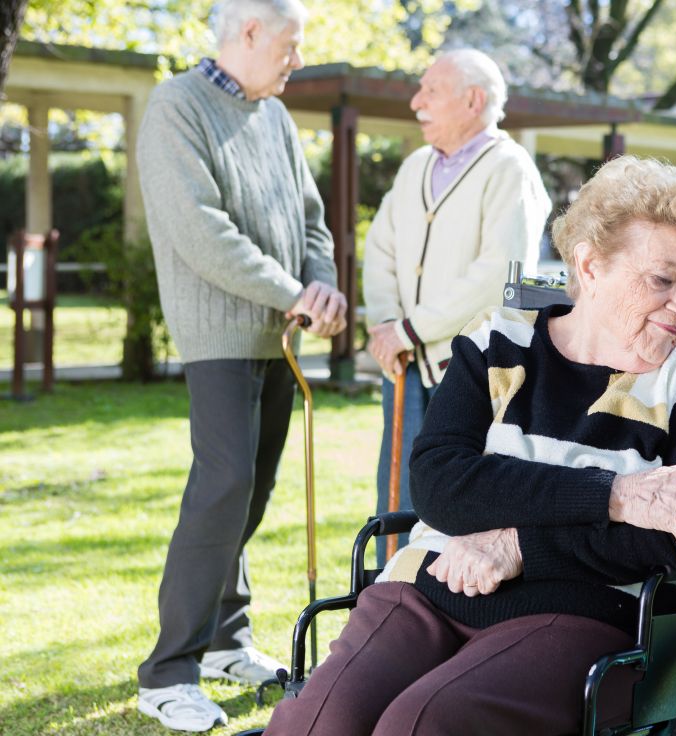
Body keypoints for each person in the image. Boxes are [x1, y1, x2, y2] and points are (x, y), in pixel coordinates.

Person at [264, 156, 676, 735]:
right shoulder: (496, 341)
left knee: (423, 725)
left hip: (575, 609)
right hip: (429, 582)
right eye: (663, 280)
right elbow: (442, 485)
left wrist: (523, 546)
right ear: (589, 266)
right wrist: (616, 494)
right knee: (318, 724)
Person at [134, 0, 347, 731]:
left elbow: (311, 221)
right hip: (219, 333)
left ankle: (227, 638)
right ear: (248, 33)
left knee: (250, 491)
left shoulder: (275, 118)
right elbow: (200, 230)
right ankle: (167, 673)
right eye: (289, 45)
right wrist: (294, 291)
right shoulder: (175, 106)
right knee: (222, 485)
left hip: (276, 335)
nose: (296, 59)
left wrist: (318, 283)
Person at [362, 48, 552, 566]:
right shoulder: (415, 167)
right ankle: (387, 600)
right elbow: (379, 248)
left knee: (457, 496)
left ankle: (447, 601)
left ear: (474, 100)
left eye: (431, 90)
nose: (416, 101)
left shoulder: (510, 168)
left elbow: (497, 273)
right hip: (402, 357)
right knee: (396, 487)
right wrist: (385, 325)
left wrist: (409, 329)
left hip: (468, 367)